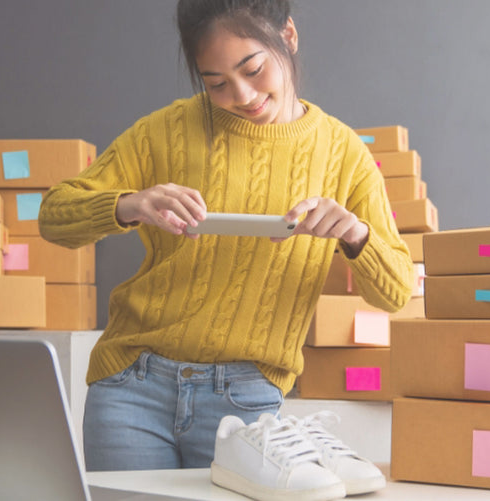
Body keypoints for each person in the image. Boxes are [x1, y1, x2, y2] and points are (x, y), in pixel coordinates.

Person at [38, 0, 414, 471]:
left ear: (289, 37)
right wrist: (130, 204)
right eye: (215, 83)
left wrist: (355, 235)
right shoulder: (166, 130)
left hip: (248, 400)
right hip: (132, 385)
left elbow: (398, 290)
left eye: (252, 69)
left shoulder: (345, 156)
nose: (242, 95)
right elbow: (53, 215)